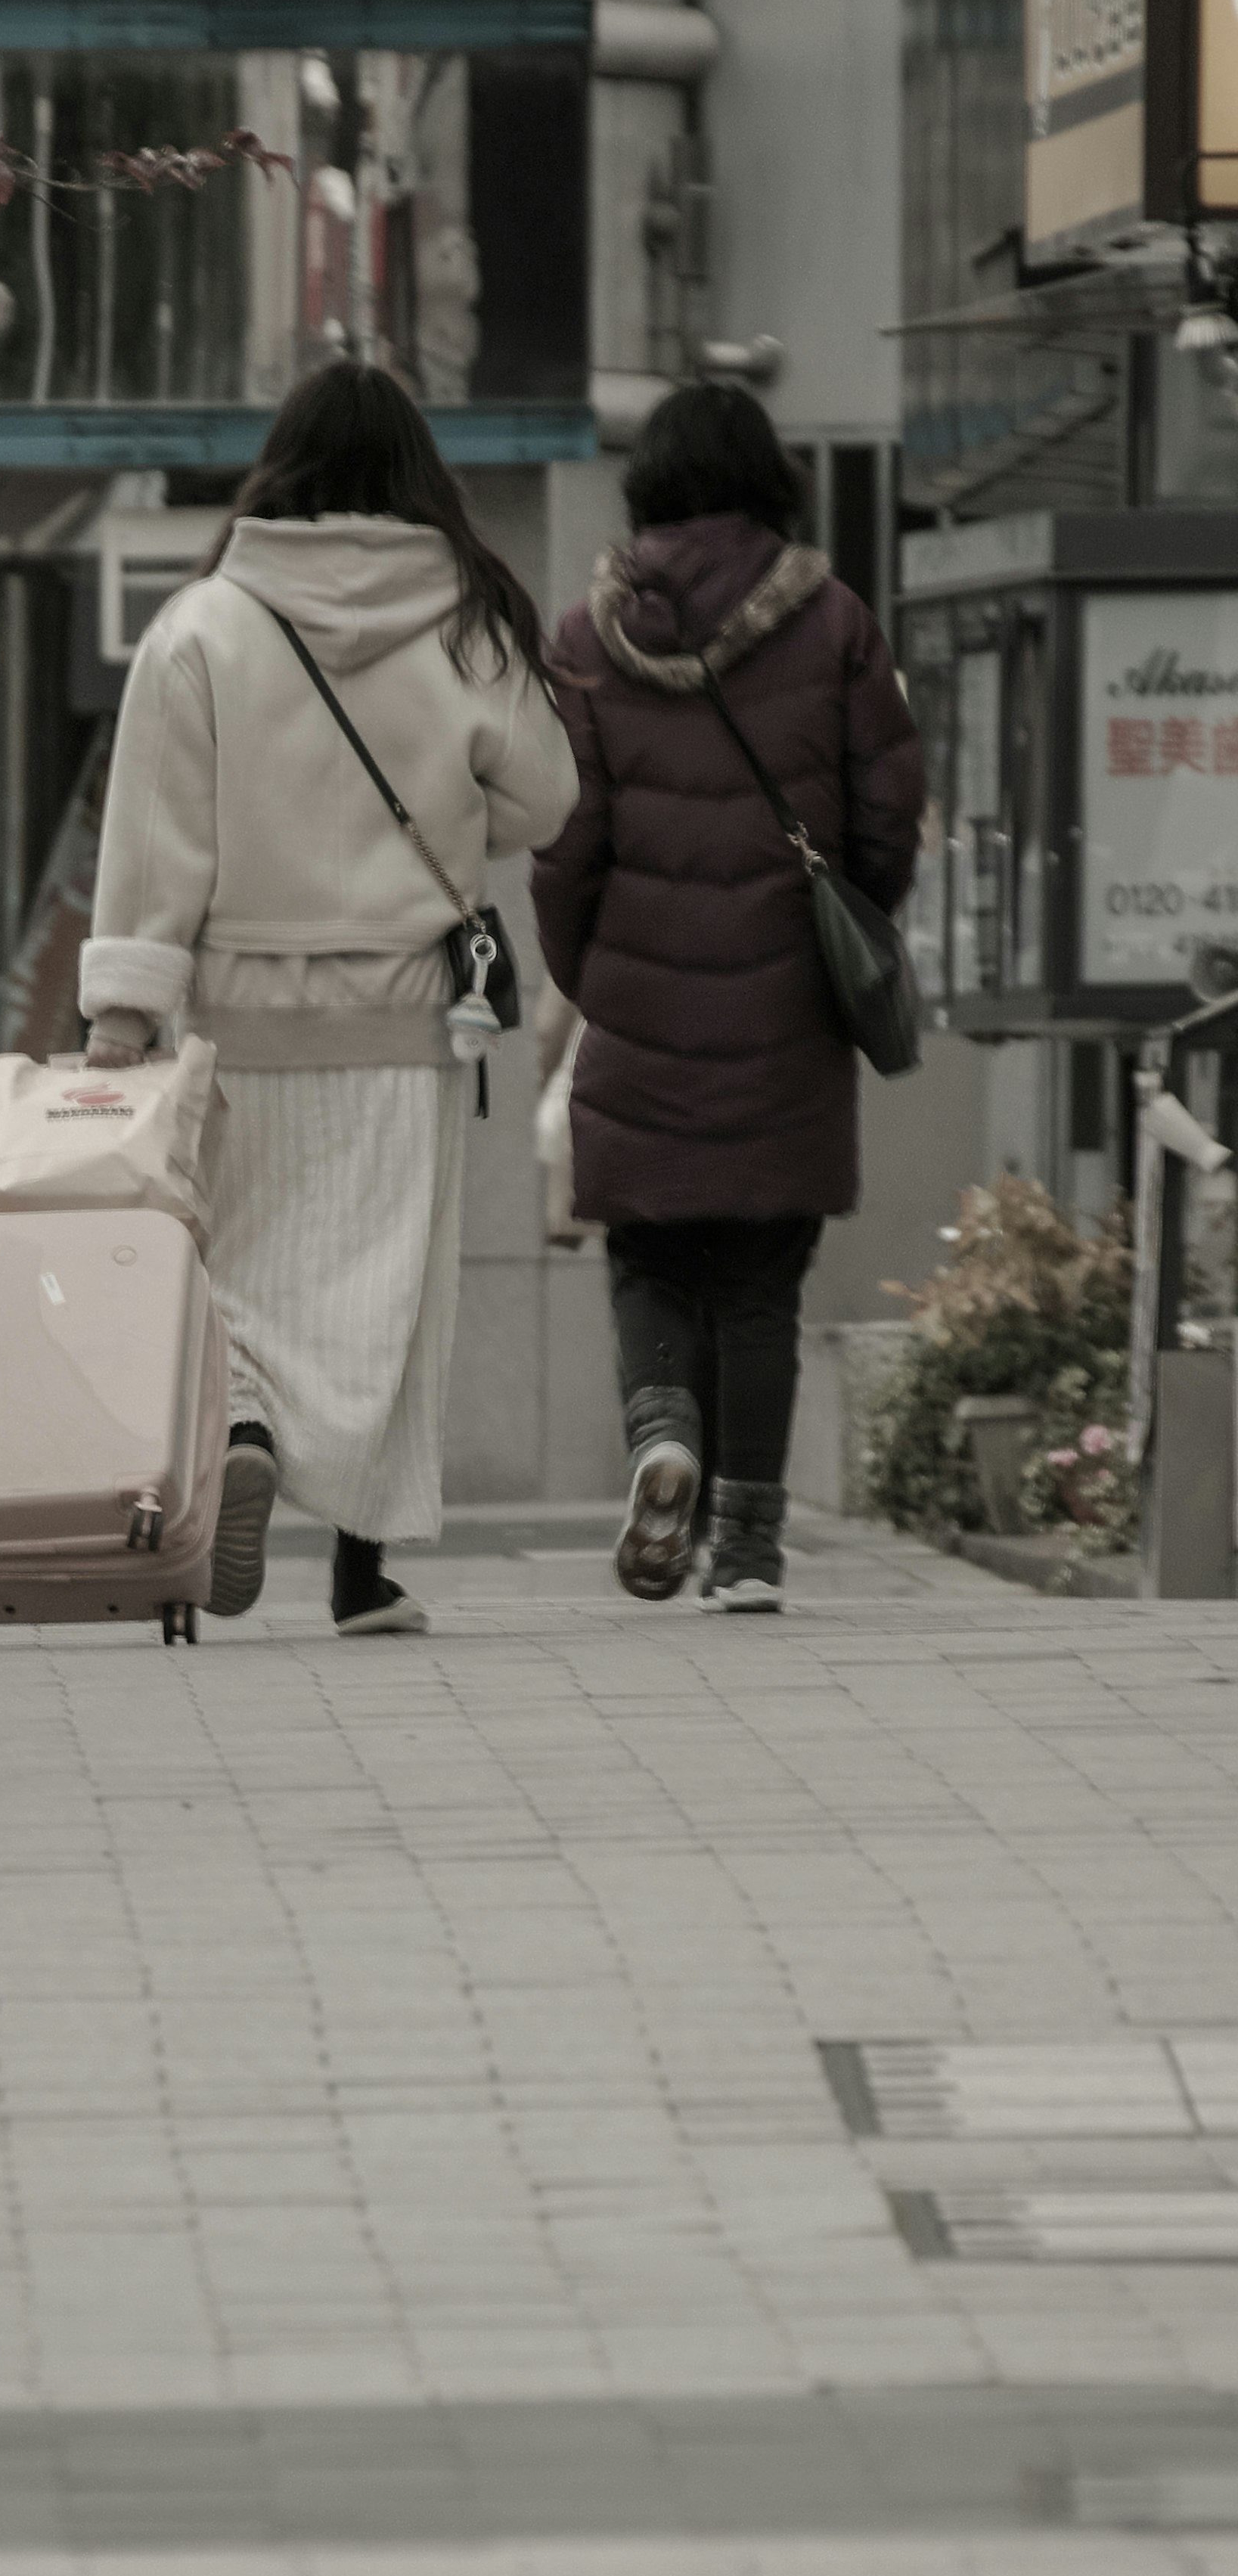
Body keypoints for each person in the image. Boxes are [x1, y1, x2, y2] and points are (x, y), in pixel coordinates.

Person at [80, 363, 578, 1635]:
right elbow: (546, 801)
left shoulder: (201, 626)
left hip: (237, 1021)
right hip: (407, 1024)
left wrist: (122, 1018)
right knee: (386, 1292)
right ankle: (362, 1573)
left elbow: (154, 839)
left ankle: (242, 1424)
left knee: (230, 1263)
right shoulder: (470, 620)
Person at [530, 381, 925, 1610]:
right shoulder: (837, 622)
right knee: (762, 1276)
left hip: (639, 1002)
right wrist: (841, 918)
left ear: (648, 484)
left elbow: (563, 836)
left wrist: (586, 970)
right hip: (787, 1002)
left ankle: (663, 1441)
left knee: (651, 1248)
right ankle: (749, 1548)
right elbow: (889, 811)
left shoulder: (588, 638)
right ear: (770, 483)